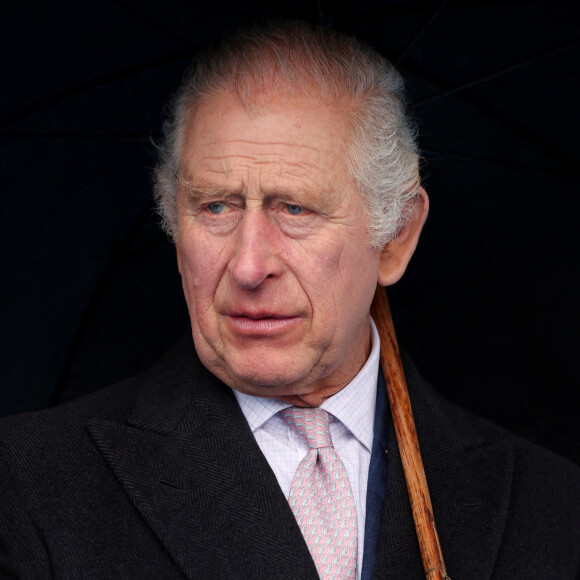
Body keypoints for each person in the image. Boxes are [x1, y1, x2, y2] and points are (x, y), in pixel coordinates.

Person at [0, 21, 578, 580]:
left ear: (397, 235)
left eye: (294, 209)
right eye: (216, 207)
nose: (249, 266)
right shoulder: (26, 486)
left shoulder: (552, 508)